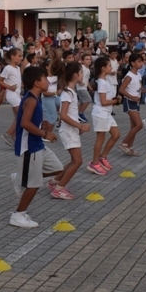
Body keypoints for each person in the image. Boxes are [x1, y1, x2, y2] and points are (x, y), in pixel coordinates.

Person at [8, 66, 62, 228]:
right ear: (37, 83)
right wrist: (44, 133)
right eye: (45, 79)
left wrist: (42, 125)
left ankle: (20, 177)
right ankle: (18, 215)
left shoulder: (36, 98)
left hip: (38, 145)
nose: (47, 82)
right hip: (29, 147)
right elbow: (24, 123)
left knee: (58, 168)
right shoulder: (31, 100)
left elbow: (30, 121)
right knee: (34, 184)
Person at [52, 61, 89, 200]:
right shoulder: (67, 93)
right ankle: (59, 189)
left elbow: (70, 115)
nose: (82, 76)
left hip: (71, 130)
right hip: (68, 131)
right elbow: (63, 115)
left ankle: (55, 182)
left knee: (74, 160)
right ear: (75, 75)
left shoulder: (71, 92)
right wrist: (80, 126)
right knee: (78, 161)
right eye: (81, 73)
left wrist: (77, 125)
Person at [89, 56, 120, 175]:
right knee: (100, 138)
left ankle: (103, 157)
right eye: (109, 66)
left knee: (116, 134)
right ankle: (94, 163)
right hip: (100, 113)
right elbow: (103, 102)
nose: (111, 68)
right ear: (103, 68)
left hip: (106, 113)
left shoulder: (105, 80)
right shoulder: (101, 82)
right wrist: (116, 101)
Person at [118, 52, 145, 156]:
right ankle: (124, 143)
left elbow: (139, 88)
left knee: (134, 126)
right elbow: (121, 89)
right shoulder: (129, 76)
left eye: (141, 61)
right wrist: (132, 97)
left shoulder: (138, 75)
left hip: (136, 102)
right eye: (139, 61)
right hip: (130, 102)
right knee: (139, 125)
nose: (141, 63)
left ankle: (130, 147)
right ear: (133, 63)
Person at [0, 48, 23, 144]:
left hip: (16, 94)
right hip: (11, 94)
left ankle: (15, 138)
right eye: (19, 56)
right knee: (21, 115)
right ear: (13, 57)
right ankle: (8, 134)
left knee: (18, 116)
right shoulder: (7, 68)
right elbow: (0, 80)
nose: (21, 58)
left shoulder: (17, 68)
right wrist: (9, 87)